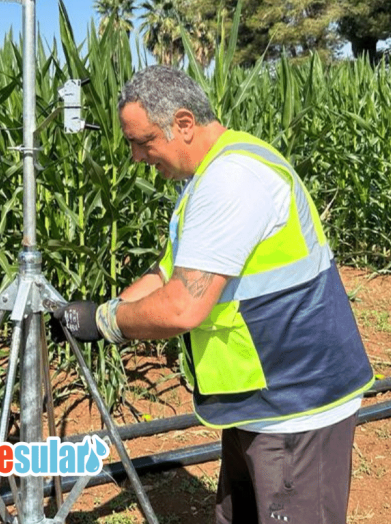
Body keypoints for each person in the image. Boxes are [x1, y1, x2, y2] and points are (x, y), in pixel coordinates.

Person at [54, 65, 374, 524]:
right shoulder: (207, 177)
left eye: (142, 142)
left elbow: (183, 305)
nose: (137, 157)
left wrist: (105, 322)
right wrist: (103, 312)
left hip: (297, 403)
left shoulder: (231, 180)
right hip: (258, 396)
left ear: (183, 123)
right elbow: (169, 273)